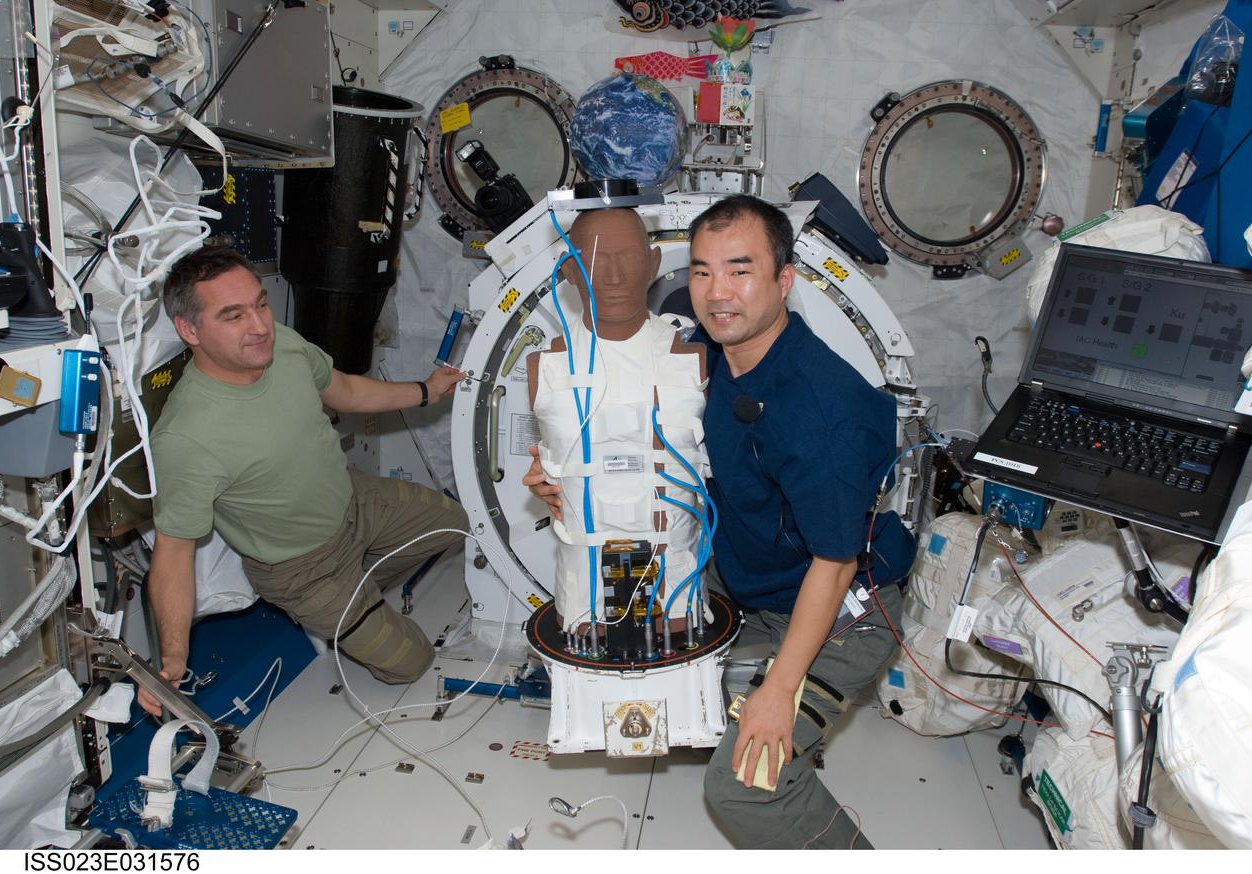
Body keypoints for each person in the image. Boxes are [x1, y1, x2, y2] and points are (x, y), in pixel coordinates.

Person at [527, 195, 914, 848]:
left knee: (739, 789)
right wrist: (552, 473)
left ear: (784, 279)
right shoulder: (712, 357)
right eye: (702, 271)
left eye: (740, 270)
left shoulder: (824, 410)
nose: (716, 291)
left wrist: (777, 691)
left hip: (842, 602)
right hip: (748, 568)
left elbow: (836, 559)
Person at [137, 246, 467, 717]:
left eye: (260, 304)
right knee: (412, 662)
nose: (259, 326)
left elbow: (347, 390)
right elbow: (173, 552)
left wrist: (425, 391)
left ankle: (356, 603)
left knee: (453, 523)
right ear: (189, 330)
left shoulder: (283, 346)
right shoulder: (188, 436)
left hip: (355, 501)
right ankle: (337, 610)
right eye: (233, 315)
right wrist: (173, 657)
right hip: (303, 568)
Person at [525, 207, 707, 632]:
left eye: (627, 256)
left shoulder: (694, 359)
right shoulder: (545, 367)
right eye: (593, 259)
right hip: (583, 602)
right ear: (570, 270)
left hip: (677, 599)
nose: (612, 275)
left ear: (653, 262)